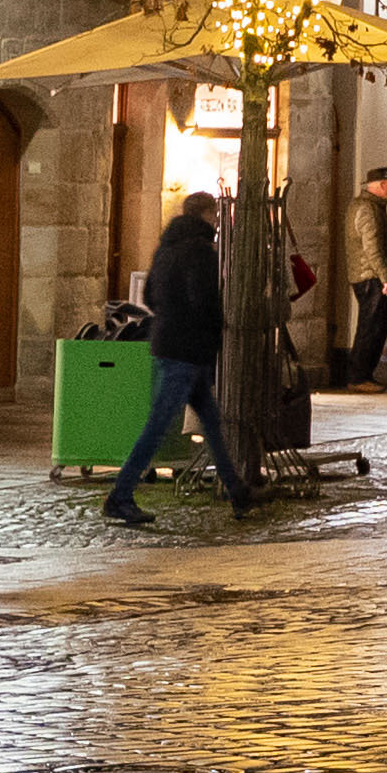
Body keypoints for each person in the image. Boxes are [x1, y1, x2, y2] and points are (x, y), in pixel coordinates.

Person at [103, 189, 255, 524]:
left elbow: (150, 296)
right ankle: (121, 494)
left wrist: (171, 319)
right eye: (215, 215)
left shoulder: (166, 247)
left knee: (212, 424)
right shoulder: (199, 251)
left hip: (169, 343)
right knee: (158, 425)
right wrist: (213, 330)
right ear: (206, 215)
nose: (218, 220)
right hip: (189, 350)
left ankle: (236, 489)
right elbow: (205, 301)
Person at [338, 161, 387, 387]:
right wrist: (386, 277)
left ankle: (362, 376)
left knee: (374, 325)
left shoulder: (369, 207)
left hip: (368, 274)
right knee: (372, 327)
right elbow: (372, 247)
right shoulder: (368, 209)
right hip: (370, 277)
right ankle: (358, 377)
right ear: (382, 184)